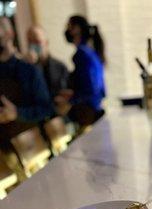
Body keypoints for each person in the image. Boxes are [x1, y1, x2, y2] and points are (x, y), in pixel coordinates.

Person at [0, 17, 53, 152]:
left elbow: (45, 108)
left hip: (32, 148)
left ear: (9, 34)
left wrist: (17, 113)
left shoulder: (29, 69)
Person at [56, 15, 106, 126]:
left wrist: (71, 99)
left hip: (87, 112)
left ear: (76, 29)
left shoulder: (82, 54)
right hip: (96, 107)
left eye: (69, 26)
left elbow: (89, 89)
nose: (67, 30)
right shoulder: (90, 51)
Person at [25, 25, 69, 99]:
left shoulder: (60, 67)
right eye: (30, 42)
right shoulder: (25, 68)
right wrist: (30, 67)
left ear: (46, 43)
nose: (33, 46)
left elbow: (63, 92)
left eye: (37, 41)